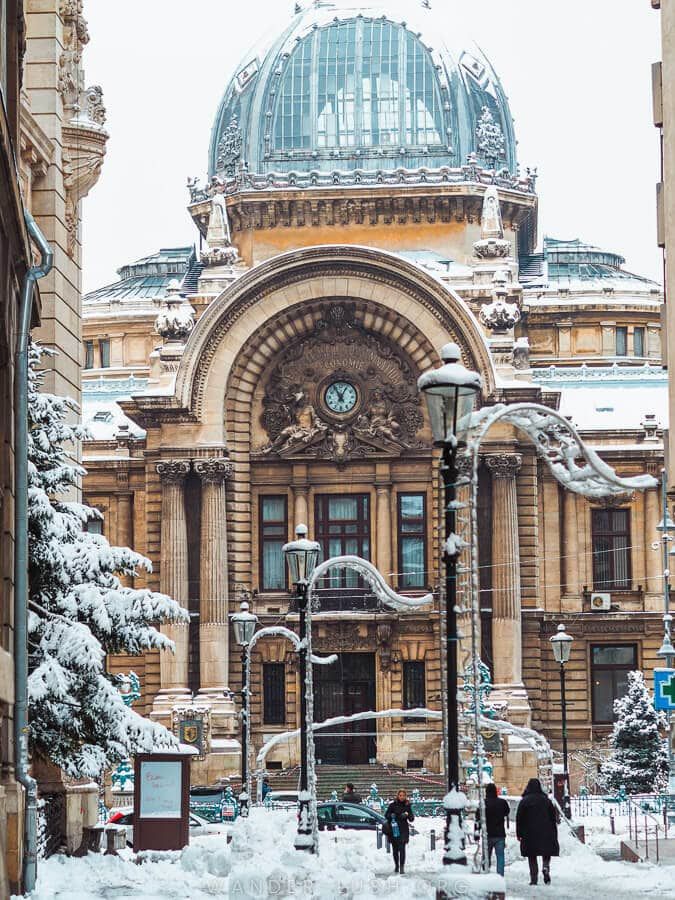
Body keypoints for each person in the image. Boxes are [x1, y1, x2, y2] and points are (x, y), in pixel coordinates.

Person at [516, 778, 559, 886]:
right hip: (546, 831)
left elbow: (519, 818)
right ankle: (545, 866)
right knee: (546, 852)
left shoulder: (524, 801)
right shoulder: (546, 800)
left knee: (532, 855)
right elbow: (553, 817)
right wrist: (554, 832)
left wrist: (519, 833)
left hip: (529, 833)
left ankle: (534, 879)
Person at [385, 789, 415, 874]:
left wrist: (407, 815)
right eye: (400, 795)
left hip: (403, 830)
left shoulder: (407, 805)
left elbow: (412, 819)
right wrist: (391, 815)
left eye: (403, 795)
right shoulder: (392, 805)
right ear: (397, 796)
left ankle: (402, 867)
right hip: (394, 829)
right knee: (395, 849)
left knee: (402, 849)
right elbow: (386, 815)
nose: (402, 797)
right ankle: (396, 866)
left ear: (405, 796)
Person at [484, 783, 510, 877]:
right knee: (500, 856)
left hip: (487, 834)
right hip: (500, 834)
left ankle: (486, 873)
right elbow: (507, 812)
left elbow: (478, 817)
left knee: (486, 856)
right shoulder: (502, 802)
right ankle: (500, 876)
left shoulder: (483, 803)